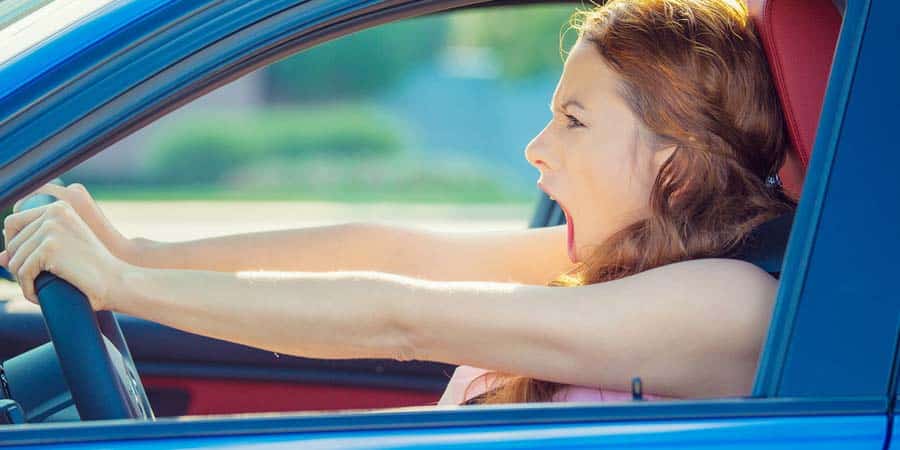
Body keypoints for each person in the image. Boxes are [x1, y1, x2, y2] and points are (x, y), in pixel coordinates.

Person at [0, 0, 794, 405]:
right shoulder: (628, 256)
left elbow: (403, 315)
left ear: (676, 165)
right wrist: (135, 254)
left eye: (573, 120)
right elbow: (393, 250)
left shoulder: (725, 302)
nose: (535, 148)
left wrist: (125, 289)